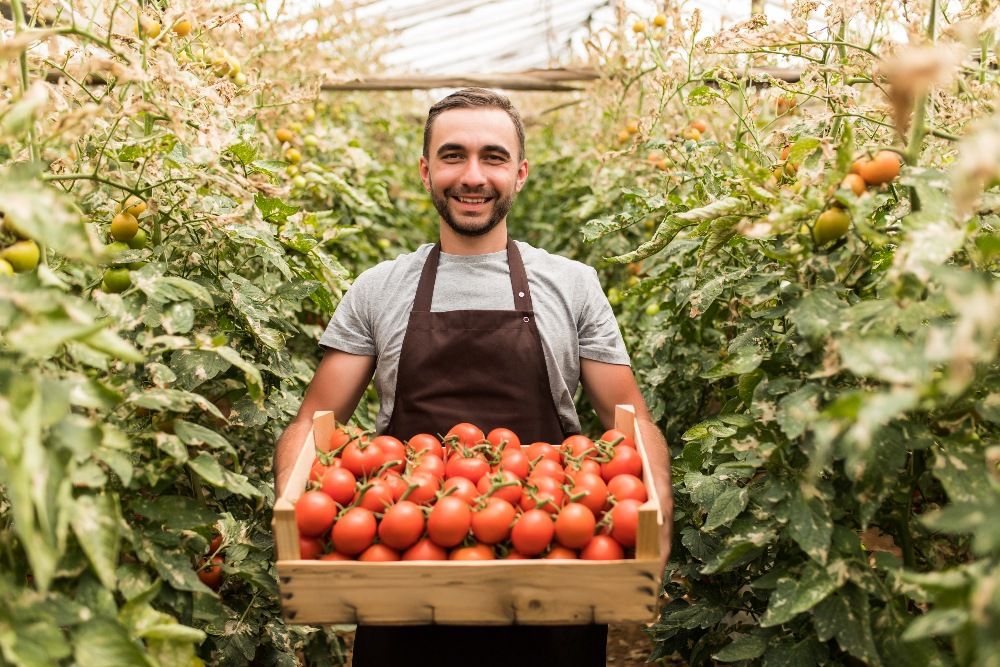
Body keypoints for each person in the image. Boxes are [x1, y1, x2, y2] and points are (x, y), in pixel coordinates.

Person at [273, 87, 673, 667]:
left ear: (520, 173)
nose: (473, 175)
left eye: (493, 157)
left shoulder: (573, 284)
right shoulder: (379, 288)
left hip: (553, 561)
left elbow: (629, 421)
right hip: (405, 565)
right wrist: (295, 512)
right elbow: (312, 420)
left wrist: (655, 514)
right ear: (426, 169)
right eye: (453, 155)